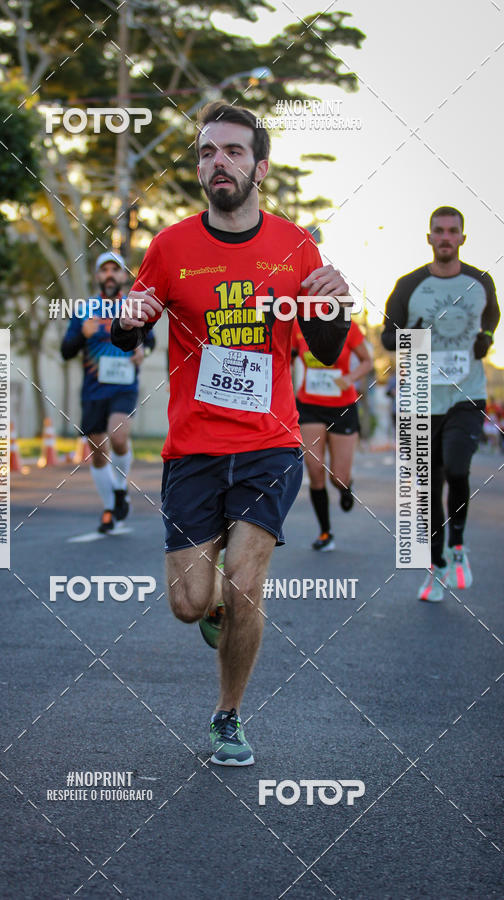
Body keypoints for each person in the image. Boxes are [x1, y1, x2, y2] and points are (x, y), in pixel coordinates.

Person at [111, 102, 351, 765]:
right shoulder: (170, 247)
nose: (219, 160)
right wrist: (129, 316)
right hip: (192, 447)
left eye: (234, 151)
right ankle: (211, 606)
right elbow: (128, 326)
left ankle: (228, 715)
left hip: (268, 443)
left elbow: (326, 349)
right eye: (208, 151)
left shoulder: (297, 246)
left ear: (260, 167)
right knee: (191, 603)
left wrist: (333, 300)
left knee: (247, 578)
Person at [382, 207, 500, 602]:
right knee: (427, 487)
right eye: (439, 231)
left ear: (462, 238)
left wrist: (485, 336)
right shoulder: (408, 285)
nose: (446, 237)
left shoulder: (480, 281)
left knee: (456, 465)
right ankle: (437, 565)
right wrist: (407, 336)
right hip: (420, 398)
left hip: (466, 395)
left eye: (453, 231)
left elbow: (492, 318)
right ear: (429, 237)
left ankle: (459, 544)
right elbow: (386, 337)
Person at [61, 251, 154, 533]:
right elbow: (66, 351)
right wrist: (82, 335)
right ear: (98, 276)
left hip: (124, 386)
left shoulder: (132, 306)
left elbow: (150, 342)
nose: (110, 275)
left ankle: (120, 486)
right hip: (93, 390)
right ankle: (111, 506)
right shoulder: (84, 310)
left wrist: (142, 353)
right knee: (98, 452)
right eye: (105, 270)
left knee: (119, 434)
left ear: (124, 276)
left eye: (116, 270)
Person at [292, 318, 372, 551]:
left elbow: (367, 362)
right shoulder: (299, 326)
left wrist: (349, 378)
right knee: (315, 469)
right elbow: (287, 357)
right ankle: (325, 532)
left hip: (343, 408)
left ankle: (346, 486)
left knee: (337, 477)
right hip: (309, 406)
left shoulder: (349, 327)